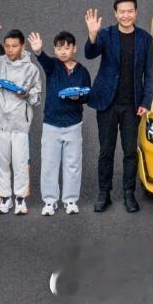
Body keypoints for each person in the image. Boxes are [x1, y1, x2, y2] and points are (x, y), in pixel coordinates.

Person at [84, 0, 153, 213]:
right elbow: (90, 53)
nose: (125, 15)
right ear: (115, 14)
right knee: (106, 151)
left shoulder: (144, 38)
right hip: (107, 103)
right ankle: (104, 194)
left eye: (129, 11)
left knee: (130, 151)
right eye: (121, 12)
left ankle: (128, 194)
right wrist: (92, 34)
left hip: (132, 105)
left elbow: (149, 74)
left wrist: (146, 100)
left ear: (136, 12)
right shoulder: (106, 34)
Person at [0, 27, 42, 214]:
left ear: (22, 46)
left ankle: (21, 199)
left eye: (14, 46)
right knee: (0, 161)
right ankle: (5, 198)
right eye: (7, 46)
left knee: (20, 162)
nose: (10, 49)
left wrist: (27, 94)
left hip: (19, 123)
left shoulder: (31, 69)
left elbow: (37, 98)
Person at [31, 29, 92, 215]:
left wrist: (78, 97)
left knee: (72, 164)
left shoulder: (82, 71)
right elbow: (43, 60)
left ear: (74, 49)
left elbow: (86, 95)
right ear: (55, 51)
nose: (63, 51)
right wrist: (38, 51)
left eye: (67, 47)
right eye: (59, 48)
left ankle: (70, 200)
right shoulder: (53, 66)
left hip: (73, 124)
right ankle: (50, 201)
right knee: (49, 163)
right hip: (51, 123)